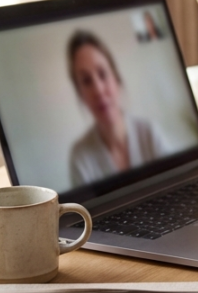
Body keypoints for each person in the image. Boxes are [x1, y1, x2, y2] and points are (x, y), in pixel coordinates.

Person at [67, 30, 170, 186]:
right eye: (86, 81)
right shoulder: (80, 158)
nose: (99, 90)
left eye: (102, 74)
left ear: (116, 78)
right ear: (80, 94)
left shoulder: (149, 132)